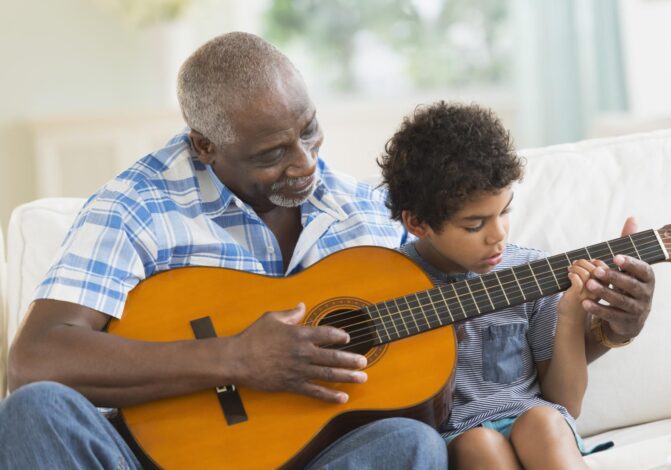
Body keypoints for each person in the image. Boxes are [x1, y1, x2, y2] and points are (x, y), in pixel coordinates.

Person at [0, 32, 447, 469]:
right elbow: (35, 361)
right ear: (205, 146)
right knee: (35, 409)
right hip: (161, 457)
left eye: (309, 129)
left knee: (412, 442)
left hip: (319, 454)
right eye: (272, 153)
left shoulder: (366, 211)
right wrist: (236, 358)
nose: (306, 161)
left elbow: (428, 384)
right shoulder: (134, 207)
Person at [377, 101, 655, 469]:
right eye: (474, 225)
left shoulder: (530, 270)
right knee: (482, 445)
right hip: (457, 436)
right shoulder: (387, 281)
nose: (498, 235)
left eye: (505, 211)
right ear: (417, 223)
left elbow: (566, 404)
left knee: (543, 421)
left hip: (535, 422)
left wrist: (570, 313)